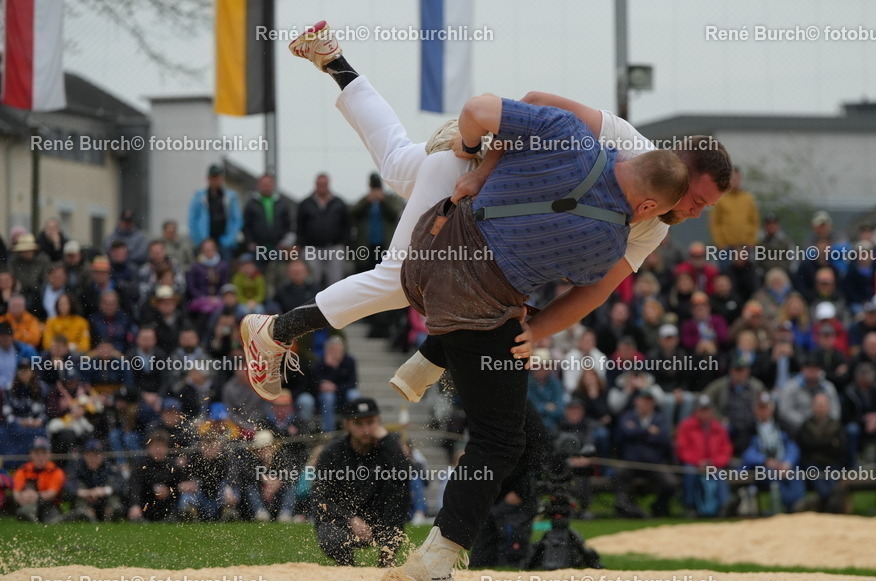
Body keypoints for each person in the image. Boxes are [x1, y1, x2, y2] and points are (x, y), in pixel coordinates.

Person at [242, 20, 731, 404]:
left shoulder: (652, 226)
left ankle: (335, 60)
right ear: (678, 170)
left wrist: (535, 329)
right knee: (398, 281)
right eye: (697, 200)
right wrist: (480, 168)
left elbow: (595, 291)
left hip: (473, 192)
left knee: (395, 163)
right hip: (470, 169)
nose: (693, 213)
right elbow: (535, 104)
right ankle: (275, 330)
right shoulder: (628, 145)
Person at [312, 398, 411, 566]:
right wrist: (350, 519)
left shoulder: (387, 448)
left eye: (370, 422)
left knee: (399, 486)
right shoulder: (332, 453)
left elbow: (406, 473)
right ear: (347, 424)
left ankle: (386, 559)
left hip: (380, 520)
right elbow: (320, 497)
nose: (365, 429)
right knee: (330, 533)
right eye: (358, 423)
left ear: (379, 422)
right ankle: (347, 566)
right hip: (344, 520)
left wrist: (387, 439)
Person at [612, 390, 675, 518]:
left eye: (649, 401)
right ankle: (625, 506)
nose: (646, 404)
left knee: (671, 483)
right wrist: (649, 432)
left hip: (653, 464)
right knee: (618, 474)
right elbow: (625, 433)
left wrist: (637, 432)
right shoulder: (627, 416)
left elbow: (663, 438)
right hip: (632, 462)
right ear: (636, 401)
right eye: (643, 400)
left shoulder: (660, 418)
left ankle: (658, 506)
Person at [676, 394, 732, 517]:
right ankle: (690, 506)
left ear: (712, 411)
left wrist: (713, 462)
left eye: (707, 409)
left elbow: (726, 450)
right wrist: (698, 462)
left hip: (713, 464)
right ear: (696, 411)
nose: (705, 413)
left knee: (719, 473)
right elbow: (682, 449)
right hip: (694, 465)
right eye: (702, 410)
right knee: (689, 471)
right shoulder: (686, 426)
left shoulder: (719, 428)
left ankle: (724, 506)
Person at [296, 172, 351, 286]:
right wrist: (300, 245)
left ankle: (336, 303)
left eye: (324, 184)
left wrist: (344, 243)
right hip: (312, 249)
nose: (321, 187)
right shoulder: (305, 204)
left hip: (335, 247)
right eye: (319, 184)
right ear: (315, 184)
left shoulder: (339, 203)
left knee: (336, 281)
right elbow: (299, 226)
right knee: (312, 280)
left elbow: (347, 224)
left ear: (328, 184)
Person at [127, 428, 184, 522]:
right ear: (149, 448)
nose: (159, 450)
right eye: (156, 446)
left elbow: (181, 484)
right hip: (145, 506)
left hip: (168, 507)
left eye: (162, 446)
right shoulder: (141, 466)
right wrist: (135, 505)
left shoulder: (173, 466)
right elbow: (134, 487)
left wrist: (170, 490)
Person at [350, 172, 403, 273]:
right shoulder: (366, 199)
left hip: (384, 244)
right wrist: (367, 201)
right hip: (366, 245)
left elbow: (395, 214)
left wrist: (383, 200)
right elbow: (354, 213)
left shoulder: (389, 199)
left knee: (384, 272)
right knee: (365, 271)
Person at [188, 164, 243, 259]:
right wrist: (200, 241)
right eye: (213, 177)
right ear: (208, 178)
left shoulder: (231, 197)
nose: (215, 180)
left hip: (224, 241)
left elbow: (237, 219)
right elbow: (192, 220)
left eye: (217, 177)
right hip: (205, 242)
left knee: (224, 269)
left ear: (222, 178)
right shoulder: (199, 197)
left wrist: (229, 239)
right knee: (204, 271)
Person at [63, 439, 125, 521]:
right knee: (79, 486)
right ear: (84, 455)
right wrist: (84, 493)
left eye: (96, 455)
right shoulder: (77, 467)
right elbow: (67, 485)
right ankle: (85, 513)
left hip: (104, 501)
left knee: (112, 489)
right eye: (89, 455)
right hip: (85, 500)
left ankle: (112, 513)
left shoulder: (109, 467)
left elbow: (121, 483)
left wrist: (105, 490)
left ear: (102, 456)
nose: (93, 458)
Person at [12, 437, 65, 523]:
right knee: (27, 509)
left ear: (49, 454)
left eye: (44, 453)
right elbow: (16, 492)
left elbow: (52, 494)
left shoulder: (56, 471)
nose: (40, 457)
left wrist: (36, 496)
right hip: (28, 504)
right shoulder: (22, 470)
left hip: (49, 505)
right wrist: (22, 498)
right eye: (37, 453)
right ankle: (28, 516)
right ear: (31, 454)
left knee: (52, 520)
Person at [708, 166, 759, 249]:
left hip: (745, 246)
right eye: (733, 178)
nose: (735, 181)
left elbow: (754, 221)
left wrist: (751, 241)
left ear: (741, 179)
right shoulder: (720, 199)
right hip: (726, 247)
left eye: (737, 178)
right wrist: (720, 242)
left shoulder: (748, 198)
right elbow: (714, 222)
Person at [242, 174, 292, 255]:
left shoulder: (282, 203)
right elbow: (246, 225)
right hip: (257, 247)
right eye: (263, 185)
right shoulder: (251, 203)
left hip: (278, 247)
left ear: (273, 185)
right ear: (259, 186)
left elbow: (288, 224)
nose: (266, 187)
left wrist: (284, 242)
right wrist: (250, 242)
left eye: (268, 184)